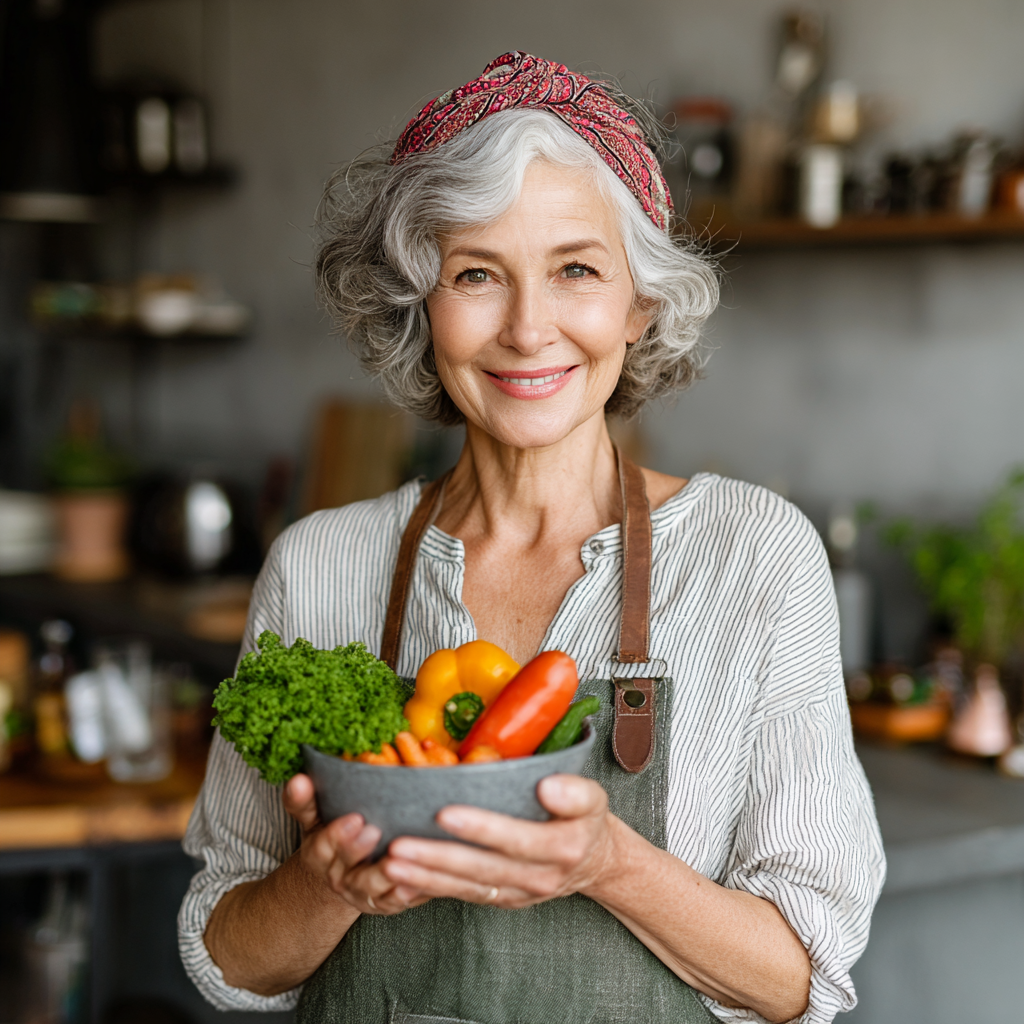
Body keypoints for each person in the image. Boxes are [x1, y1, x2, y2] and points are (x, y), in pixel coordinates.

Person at [179, 52, 884, 1024]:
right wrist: (329, 883)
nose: (527, 328)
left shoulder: (754, 556)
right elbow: (228, 956)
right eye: (476, 274)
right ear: (420, 308)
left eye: (576, 271)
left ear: (639, 306)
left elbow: (798, 979)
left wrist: (607, 862)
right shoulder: (320, 566)